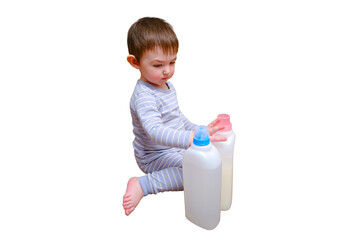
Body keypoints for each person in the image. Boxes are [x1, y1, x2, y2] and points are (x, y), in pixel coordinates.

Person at [122, 17, 226, 216]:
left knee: (208, 163)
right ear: (135, 62)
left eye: (172, 62)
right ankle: (143, 185)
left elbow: (178, 119)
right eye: (158, 65)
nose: (168, 70)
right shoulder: (144, 96)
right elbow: (155, 131)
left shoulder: (166, 86)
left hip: (174, 149)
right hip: (154, 156)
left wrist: (200, 130)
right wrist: (189, 139)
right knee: (192, 174)